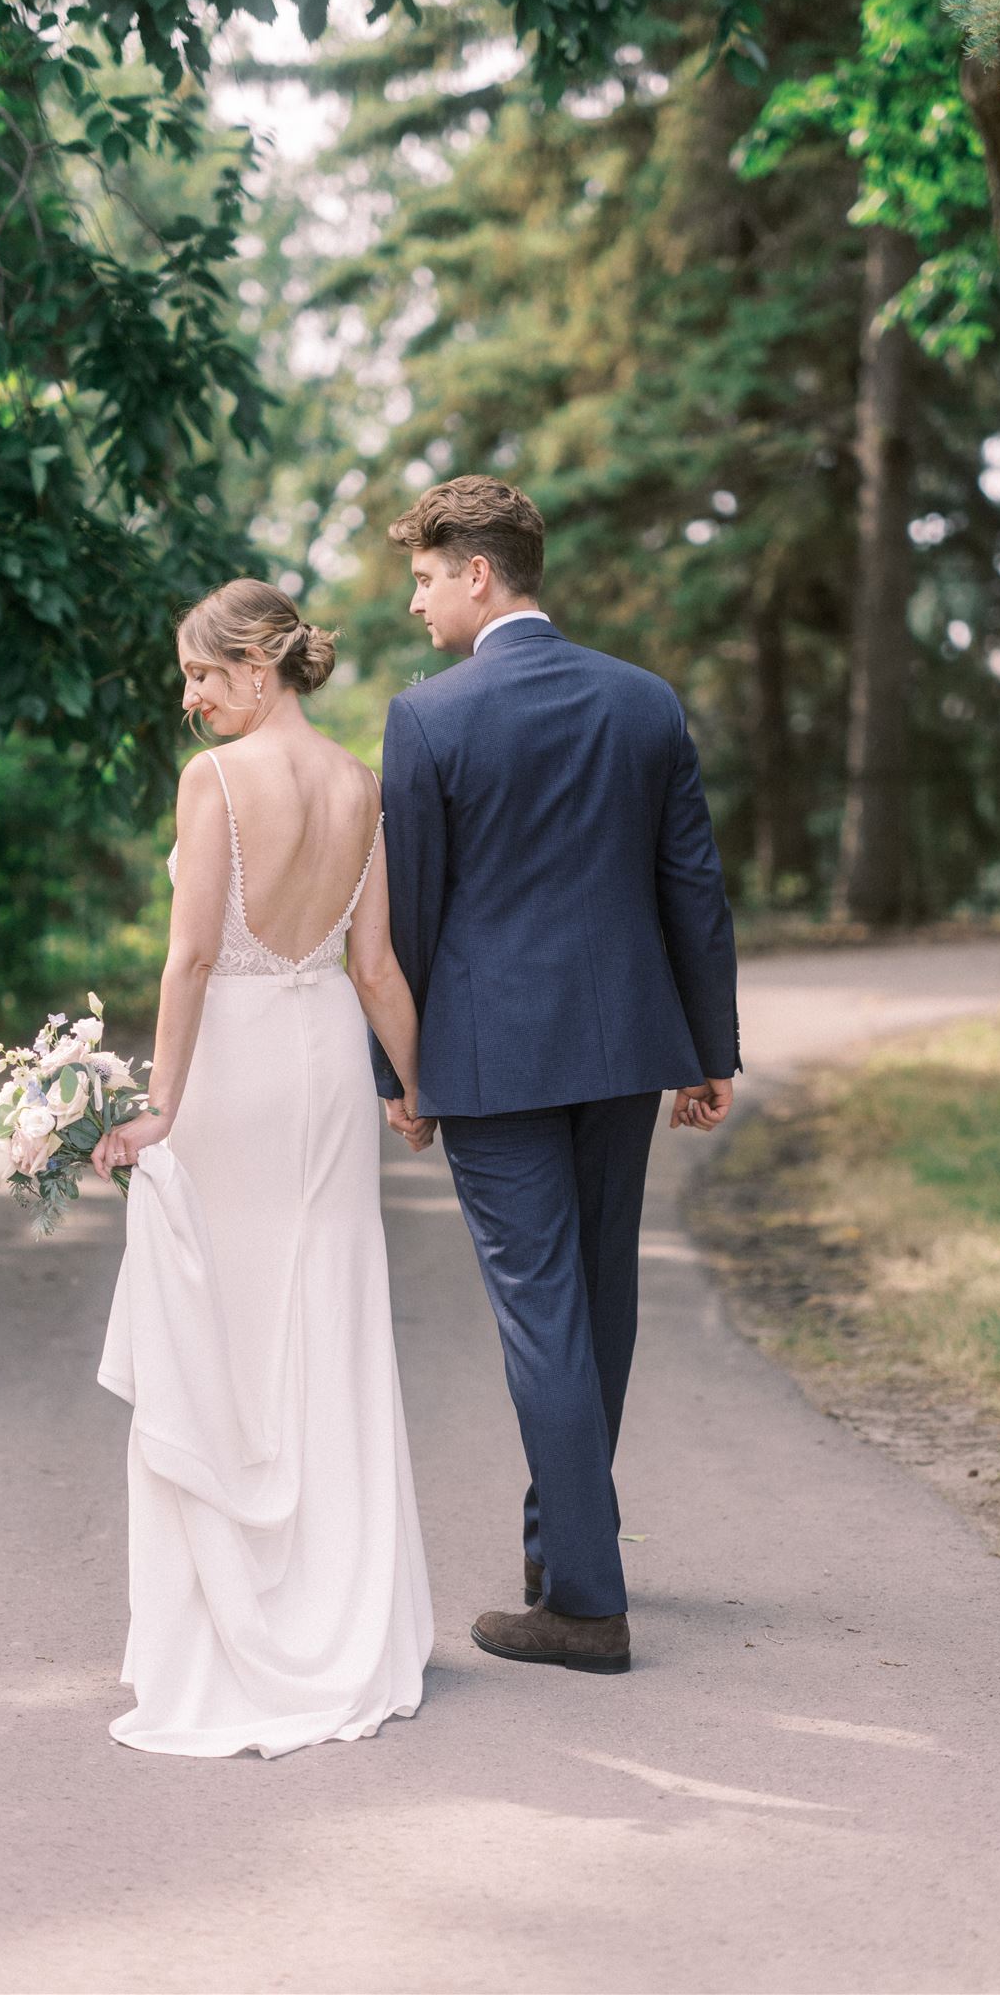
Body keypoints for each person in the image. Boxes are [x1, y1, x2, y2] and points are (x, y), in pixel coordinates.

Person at [373, 475, 740, 1676]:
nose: (418, 602)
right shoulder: (643, 701)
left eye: (427, 577)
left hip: (492, 1061)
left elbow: (410, 914)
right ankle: (559, 1546)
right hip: (628, 1048)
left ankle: (585, 1602)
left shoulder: (428, 717)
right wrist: (708, 1046)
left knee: (543, 1313)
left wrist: (403, 1070)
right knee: (599, 1301)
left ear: (480, 572)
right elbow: (692, 886)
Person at [93, 579, 433, 1758]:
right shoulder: (359, 784)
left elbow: (189, 960)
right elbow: (378, 966)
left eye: (200, 673)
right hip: (329, 1059)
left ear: (256, 663)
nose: (191, 700)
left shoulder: (217, 783)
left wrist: (158, 1107)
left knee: (226, 1330)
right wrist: (417, 1085)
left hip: (231, 1067)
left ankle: (234, 1623)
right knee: (323, 1318)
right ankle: (341, 1612)